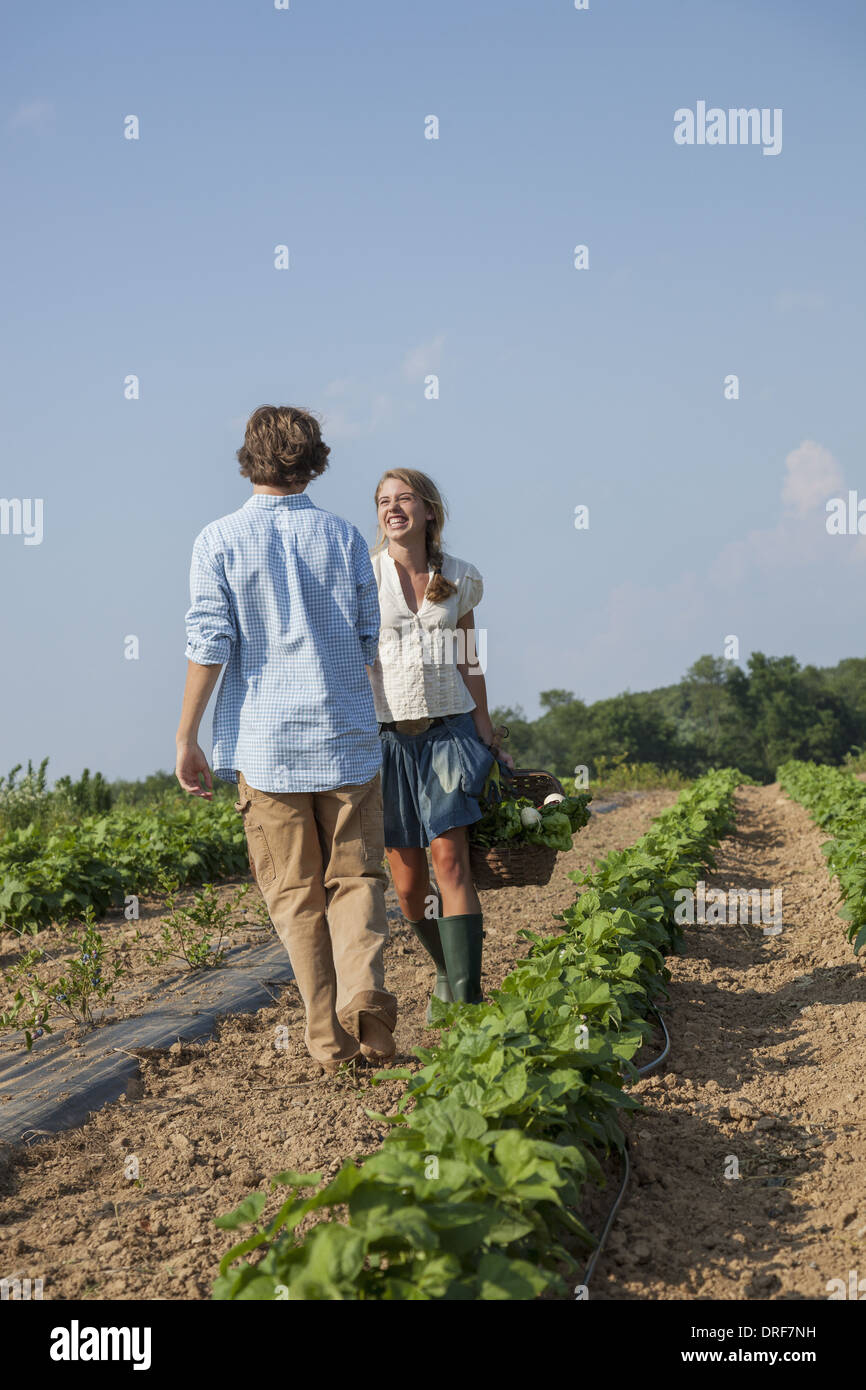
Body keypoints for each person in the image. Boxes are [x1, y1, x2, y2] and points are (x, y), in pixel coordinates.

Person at [175, 405, 397, 1076]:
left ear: (249, 457)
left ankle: (330, 1045)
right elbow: (367, 636)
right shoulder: (343, 537)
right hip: (346, 739)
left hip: (266, 748)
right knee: (357, 880)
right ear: (315, 457)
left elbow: (210, 642)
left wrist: (188, 734)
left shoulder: (217, 539)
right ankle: (372, 1013)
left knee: (297, 897)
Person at [368, 469, 514, 1019]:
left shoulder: (458, 577)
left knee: (450, 861)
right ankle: (447, 971)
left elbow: (470, 658)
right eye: (384, 501)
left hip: (449, 731)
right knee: (408, 888)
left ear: (430, 510)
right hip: (388, 740)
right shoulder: (365, 575)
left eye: (403, 498)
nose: (392, 508)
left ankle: (470, 1004)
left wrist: (485, 726)